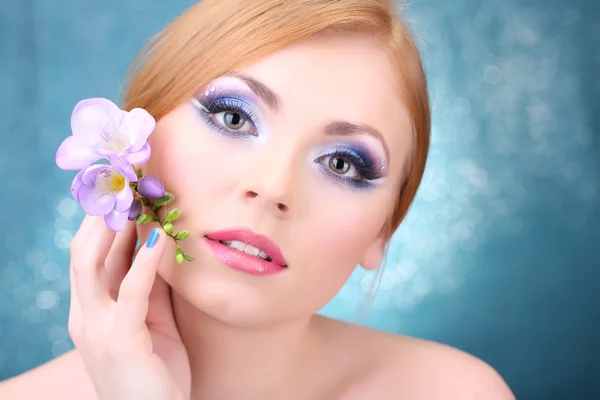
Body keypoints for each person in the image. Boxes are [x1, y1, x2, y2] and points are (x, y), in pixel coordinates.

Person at [0, 0, 515, 398]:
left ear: (384, 228)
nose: (272, 186)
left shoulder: (455, 392)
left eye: (342, 164)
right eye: (233, 117)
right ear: (139, 139)